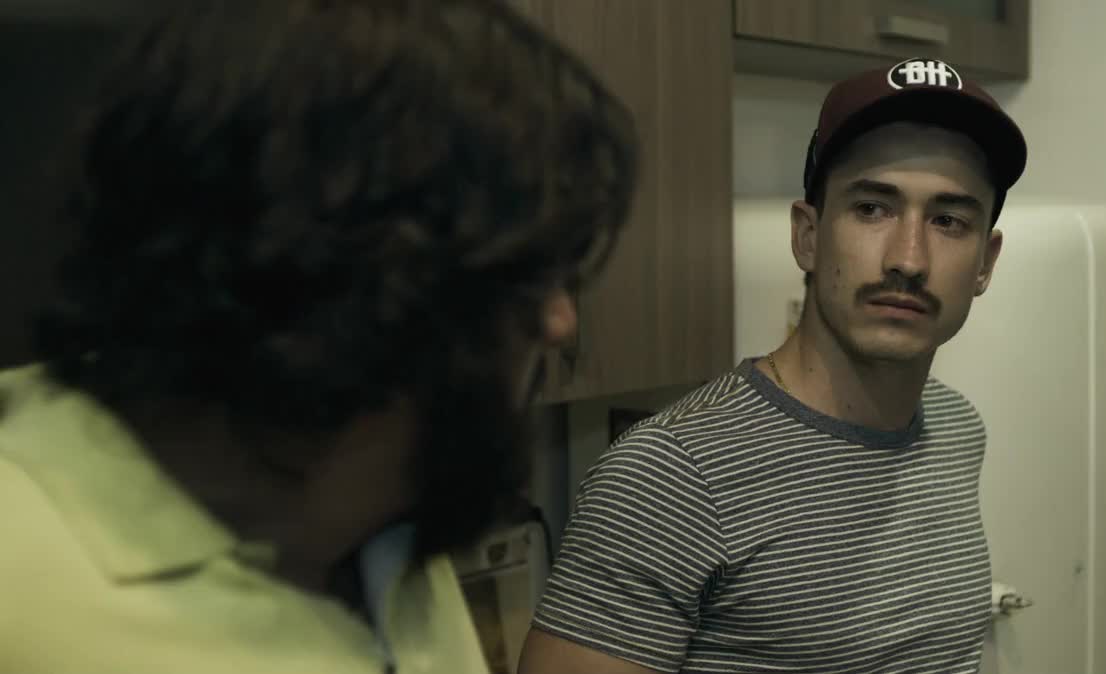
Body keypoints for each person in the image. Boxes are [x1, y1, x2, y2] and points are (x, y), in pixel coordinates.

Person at [0, 1, 636, 672]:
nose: (559, 321)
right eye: (528, 272)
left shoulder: (385, 502)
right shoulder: (25, 578)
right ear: (345, 269)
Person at [519, 58, 1028, 674]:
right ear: (807, 236)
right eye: (872, 208)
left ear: (985, 263)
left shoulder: (954, 427)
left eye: (948, 221)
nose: (908, 259)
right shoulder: (671, 475)